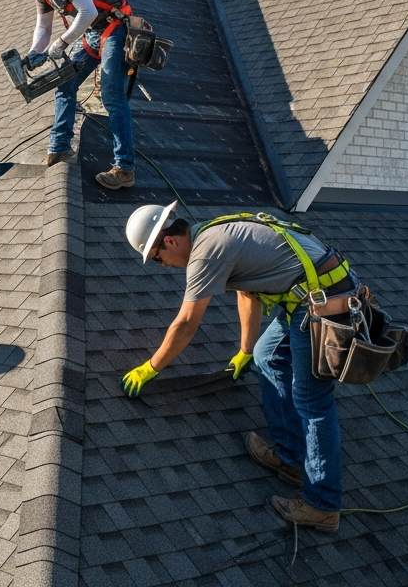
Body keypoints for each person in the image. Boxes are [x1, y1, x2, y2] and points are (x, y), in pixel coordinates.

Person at [118, 203, 360, 534]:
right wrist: (245, 351)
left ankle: (323, 505)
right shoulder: (214, 231)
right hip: (309, 297)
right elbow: (248, 292)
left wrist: (151, 367)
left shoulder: (206, 250)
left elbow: (187, 322)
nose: (163, 266)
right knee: (266, 356)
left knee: (313, 404)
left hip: (323, 305)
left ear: (169, 241)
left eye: (157, 258)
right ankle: (291, 460)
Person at [0, 0, 136, 187]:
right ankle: (59, 147)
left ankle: (124, 169)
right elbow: (43, 28)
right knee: (65, 83)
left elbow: (88, 12)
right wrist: (33, 54)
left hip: (116, 29)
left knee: (112, 96)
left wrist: (61, 42)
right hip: (92, 34)